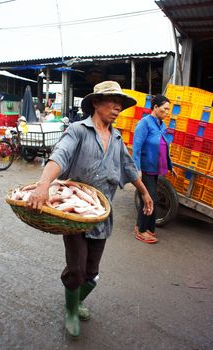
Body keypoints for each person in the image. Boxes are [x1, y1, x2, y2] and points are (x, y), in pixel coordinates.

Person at [26, 81, 154, 338]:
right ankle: (70, 310)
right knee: (76, 268)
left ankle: (76, 299)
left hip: (101, 214)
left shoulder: (117, 138)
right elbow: (60, 155)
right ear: (95, 102)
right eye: (111, 100)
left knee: (92, 272)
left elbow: (128, 168)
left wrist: (144, 191)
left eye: (120, 103)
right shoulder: (78, 130)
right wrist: (43, 185)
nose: (117, 107)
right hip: (73, 215)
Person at [133, 94, 176, 244]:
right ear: (155, 107)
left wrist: (170, 165)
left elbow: (164, 145)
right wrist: (137, 169)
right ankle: (140, 229)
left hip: (155, 169)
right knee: (149, 199)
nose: (167, 112)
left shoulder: (161, 124)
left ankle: (149, 228)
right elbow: (136, 148)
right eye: (165, 109)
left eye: (168, 109)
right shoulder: (144, 124)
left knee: (153, 199)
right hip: (145, 168)